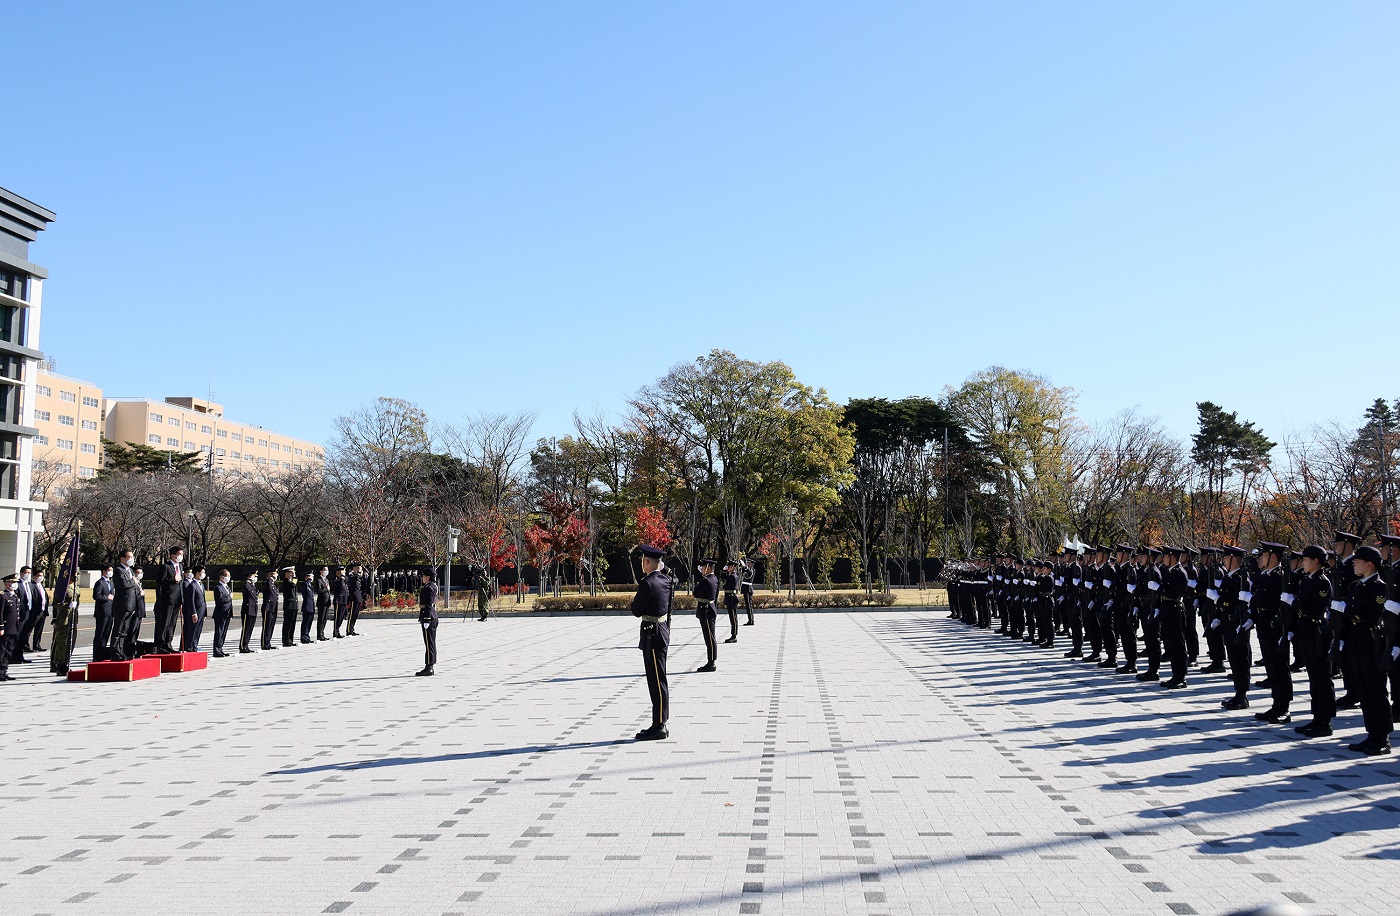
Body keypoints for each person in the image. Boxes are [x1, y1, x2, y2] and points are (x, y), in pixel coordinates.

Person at [1339, 545, 1392, 755]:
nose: (1354, 563)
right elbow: (1351, 614)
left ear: (1369, 564)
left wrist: (1349, 612)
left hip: (1371, 642)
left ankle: (1383, 737)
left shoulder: (1379, 587)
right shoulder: (1356, 586)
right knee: (1364, 689)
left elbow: (1370, 616)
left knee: (1376, 690)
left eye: (1357, 561)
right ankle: (1371, 733)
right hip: (1356, 640)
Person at [1292, 544, 1337, 738]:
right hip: (1306, 631)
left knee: (1322, 677)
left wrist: (1294, 603)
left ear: (1316, 561)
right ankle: (1317, 717)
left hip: (1317, 633)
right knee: (1313, 677)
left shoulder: (1322, 582)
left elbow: (1315, 610)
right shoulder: (1308, 579)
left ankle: (1325, 720)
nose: (1303, 563)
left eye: (1305, 559)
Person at [630, 545, 672, 741]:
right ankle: (660, 721)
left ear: (647, 562)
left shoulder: (648, 583)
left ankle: (659, 725)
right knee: (659, 679)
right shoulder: (665, 579)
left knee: (656, 681)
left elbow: (636, 610)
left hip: (652, 635)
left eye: (642, 561)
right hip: (660, 631)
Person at [1251, 542, 1292, 724]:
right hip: (1263, 625)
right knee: (1271, 666)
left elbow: (1275, 603)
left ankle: (1284, 707)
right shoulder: (1265, 575)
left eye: (1263, 555)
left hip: (1275, 627)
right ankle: (1276, 703)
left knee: (1280, 667)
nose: (1260, 559)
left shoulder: (1279, 577)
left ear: (1273, 557)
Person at [1217, 546, 1253, 711]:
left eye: (1226, 558)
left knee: (1240, 660)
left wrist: (1218, 601)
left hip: (1237, 625)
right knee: (1233, 658)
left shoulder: (1241, 579)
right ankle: (1238, 692)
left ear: (1234, 559)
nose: (1224, 560)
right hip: (1227, 624)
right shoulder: (1228, 577)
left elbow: (1234, 604)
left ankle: (1242, 695)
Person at [154, 546, 185, 654]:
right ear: (173, 555)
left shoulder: (180, 566)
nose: (181, 556)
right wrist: (172, 579)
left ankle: (168, 643)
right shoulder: (166, 567)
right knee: (165, 622)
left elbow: (181, 583)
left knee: (172, 623)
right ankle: (160, 645)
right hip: (168, 599)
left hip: (177, 598)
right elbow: (160, 581)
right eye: (179, 554)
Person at [692, 558, 719, 672]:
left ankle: (711, 662)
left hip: (706, 610)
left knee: (709, 637)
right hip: (709, 608)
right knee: (710, 636)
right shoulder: (714, 578)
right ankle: (711, 660)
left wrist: (698, 580)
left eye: (703, 568)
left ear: (708, 568)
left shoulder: (706, 580)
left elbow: (695, 593)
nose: (701, 570)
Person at [91, 565, 115, 663]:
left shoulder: (111, 583)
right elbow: (96, 596)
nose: (110, 572)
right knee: (100, 634)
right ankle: (97, 654)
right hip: (102, 611)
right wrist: (107, 597)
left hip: (110, 611)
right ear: (104, 571)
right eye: (109, 570)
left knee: (106, 633)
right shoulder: (100, 583)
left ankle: (103, 652)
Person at [181, 566, 208, 653]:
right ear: (197, 573)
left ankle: (194, 646)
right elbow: (191, 601)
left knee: (198, 631)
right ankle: (189, 648)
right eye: (202, 572)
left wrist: (205, 613)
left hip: (201, 611)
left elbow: (203, 599)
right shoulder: (192, 585)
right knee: (192, 631)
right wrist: (193, 613)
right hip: (195, 612)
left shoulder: (202, 584)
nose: (203, 574)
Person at [417, 570, 438, 676]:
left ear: (428, 577)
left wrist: (426, 619)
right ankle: (429, 665)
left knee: (429, 642)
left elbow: (429, 604)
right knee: (430, 642)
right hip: (429, 616)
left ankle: (429, 667)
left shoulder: (429, 587)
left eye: (424, 576)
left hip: (428, 617)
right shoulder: (430, 586)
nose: (422, 578)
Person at [0, 574, 20, 680]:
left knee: (9, 651)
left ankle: (4, 671)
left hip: (13, 628)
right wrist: (1, 627)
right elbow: (1, 613)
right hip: (6, 628)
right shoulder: (3, 596)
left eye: (15, 582)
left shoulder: (15, 596)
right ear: (6, 583)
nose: (14, 584)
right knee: (2, 650)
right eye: (12, 582)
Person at [211, 569, 234, 657]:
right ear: (221, 577)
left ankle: (220, 648)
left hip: (227, 613)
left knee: (224, 632)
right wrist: (229, 597)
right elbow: (220, 600)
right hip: (220, 613)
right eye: (227, 576)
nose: (228, 578)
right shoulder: (218, 587)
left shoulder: (227, 587)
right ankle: (216, 650)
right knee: (219, 632)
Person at [239, 572, 260, 653]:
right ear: (250, 576)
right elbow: (248, 591)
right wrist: (249, 581)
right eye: (254, 576)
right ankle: (242, 646)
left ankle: (246, 645)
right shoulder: (246, 584)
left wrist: (253, 584)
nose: (256, 578)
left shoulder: (253, 585)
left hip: (253, 609)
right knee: (245, 629)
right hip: (247, 609)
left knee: (250, 629)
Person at [279, 567, 300, 647]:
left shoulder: (291, 582)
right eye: (290, 572)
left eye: (293, 572)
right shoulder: (286, 582)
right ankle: (285, 640)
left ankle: (290, 640)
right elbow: (293, 585)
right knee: (287, 623)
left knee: (292, 624)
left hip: (294, 605)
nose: (292, 574)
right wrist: (294, 577)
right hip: (289, 605)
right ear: (286, 574)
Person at [260, 570, 280, 650]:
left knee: (271, 626)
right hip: (267, 607)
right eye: (275, 574)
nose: (276, 576)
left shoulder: (273, 584)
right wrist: (269, 578)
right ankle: (264, 643)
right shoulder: (267, 583)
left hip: (273, 607)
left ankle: (268, 642)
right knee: (266, 626)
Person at [721, 560, 740, 644]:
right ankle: (733, 635)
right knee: (732, 617)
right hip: (729, 597)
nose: (728, 568)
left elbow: (725, 584)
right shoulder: (730, 575)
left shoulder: (733, 576)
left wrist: (724, 572)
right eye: (728, 567)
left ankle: (734, 636)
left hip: (731, 598)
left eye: (730, 567)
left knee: (733, 618)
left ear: (734, 568)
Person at [346, 563, 365, 636]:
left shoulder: (360, 576)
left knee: (356, 614)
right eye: (357, 567)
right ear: (354, 568)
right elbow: (352, 582)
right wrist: (358, 574)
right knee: (352, 614)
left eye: (360, 567)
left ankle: (352, 629)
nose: (359, 569)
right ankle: (348, 629)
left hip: (359, 596)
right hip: (354, 597)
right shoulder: (352, 576)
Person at [298, 570, 317, 644]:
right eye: (310, 576)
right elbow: (305, 592)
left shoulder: (310, 585)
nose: (312, 578)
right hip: (307, 606)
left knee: (309, 622)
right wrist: (308, 581)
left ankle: (307, 636)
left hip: (311, 606)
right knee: (305, 622)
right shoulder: (305, 584)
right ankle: (304, 637)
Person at [315, 566, 332, 641]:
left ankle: (322, 633)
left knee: (325, 619)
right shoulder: (318, 580)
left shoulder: (327, 580)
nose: (326, 571)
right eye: (325, 570)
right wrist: (326, 589)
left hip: (327, 602)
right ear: (321, 571)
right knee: (321, 619)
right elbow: (319, 591)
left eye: (327, 570)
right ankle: (319, 635)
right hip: (321, 602)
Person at [332, 566, 348, 637]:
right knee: (337, 617)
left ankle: (338, 631)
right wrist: (341, 578)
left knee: (341, 617)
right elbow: (339, 584)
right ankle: (335, 632)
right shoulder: (336, 580)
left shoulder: (345, 579)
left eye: (343, 571)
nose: (342, 573)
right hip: (339, 600)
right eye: (340, 572)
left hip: (344, 600)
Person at [740, 560, 756, 626]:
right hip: (746, 589)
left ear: (751, 564)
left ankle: (751, 620)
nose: (747, 564)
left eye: (748, 563)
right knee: (748, 606)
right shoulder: (749, 570)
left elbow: (748, 572)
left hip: (747, 589)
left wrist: (744, 566)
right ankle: (751, 619)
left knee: (749, 606)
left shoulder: (751, 570)